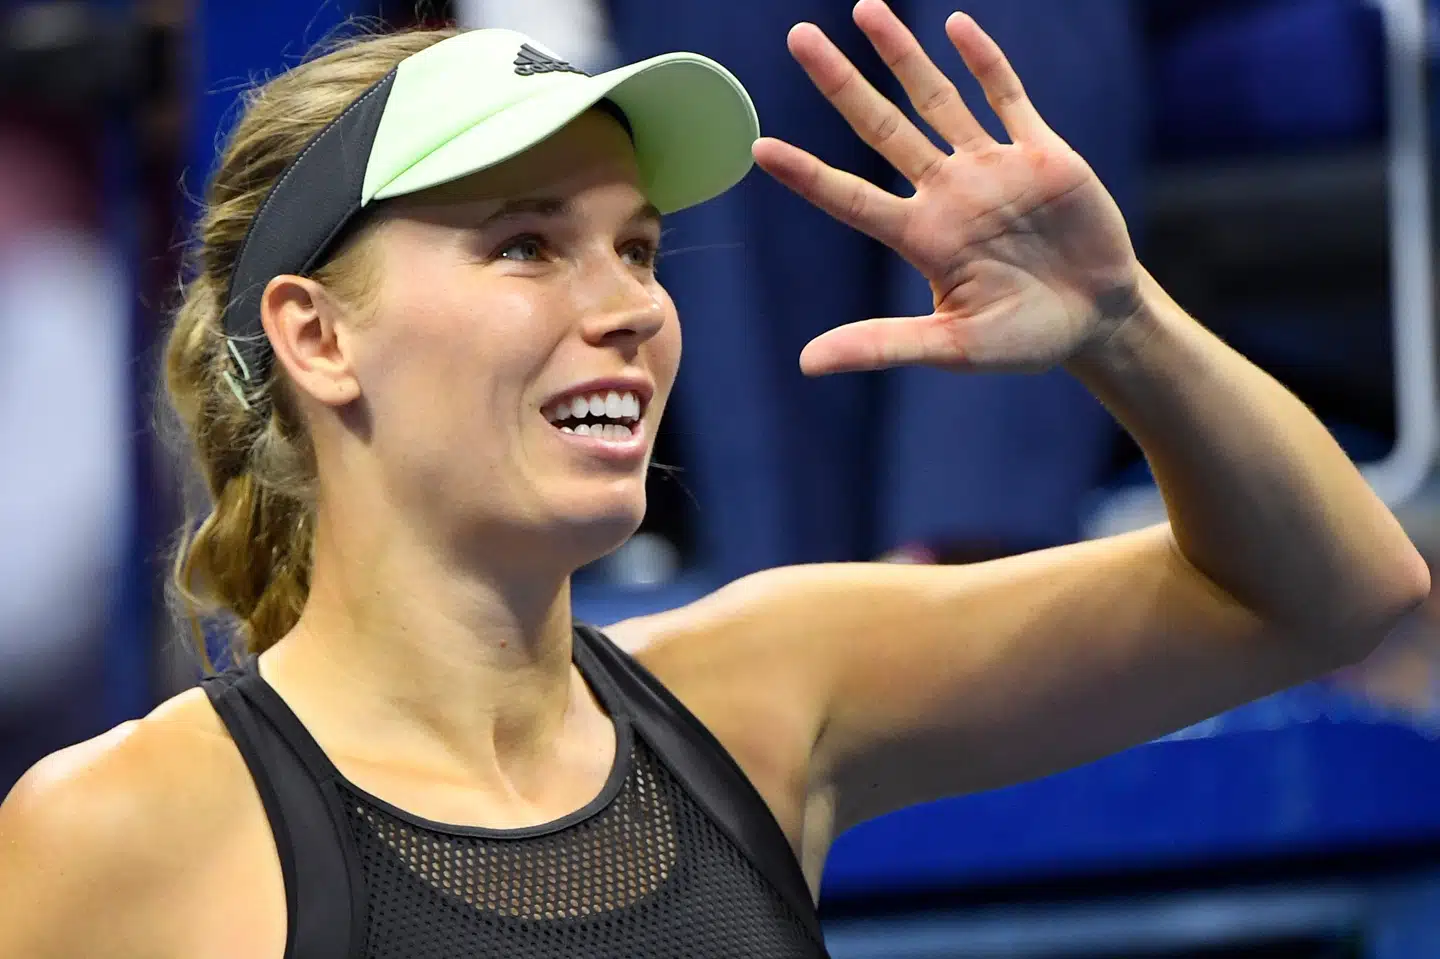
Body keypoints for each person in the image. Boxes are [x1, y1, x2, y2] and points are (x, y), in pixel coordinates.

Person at [0, 2, 1427, 955]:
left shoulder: (765, 684)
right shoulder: (124, 828)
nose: (627, 302)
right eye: (526, 244)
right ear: (316, 335)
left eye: (638, 249)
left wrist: (1125, 326)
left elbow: (1332, 586)